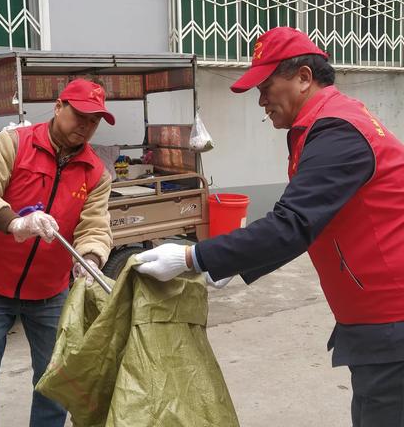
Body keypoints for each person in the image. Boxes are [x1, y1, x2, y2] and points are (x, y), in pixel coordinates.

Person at [134, 26, 404, 426]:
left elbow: (292, 224)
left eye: (265, 86)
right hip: (376, 318)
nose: (261, 101)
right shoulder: (327, 123)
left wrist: (194, 256)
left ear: (303, 78)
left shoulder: (337, 132)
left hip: (391, 324)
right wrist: (227, 263)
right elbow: (306, 223)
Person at [0, 78, 115, 427]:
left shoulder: (97, 173)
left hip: (50, 292)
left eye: (94, 121)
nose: (86, 127)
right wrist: (14, 223)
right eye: (80, 116)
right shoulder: (14, 144)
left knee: (54, 385)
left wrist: (90, 257)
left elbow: (95, 226)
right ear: (59, 107)